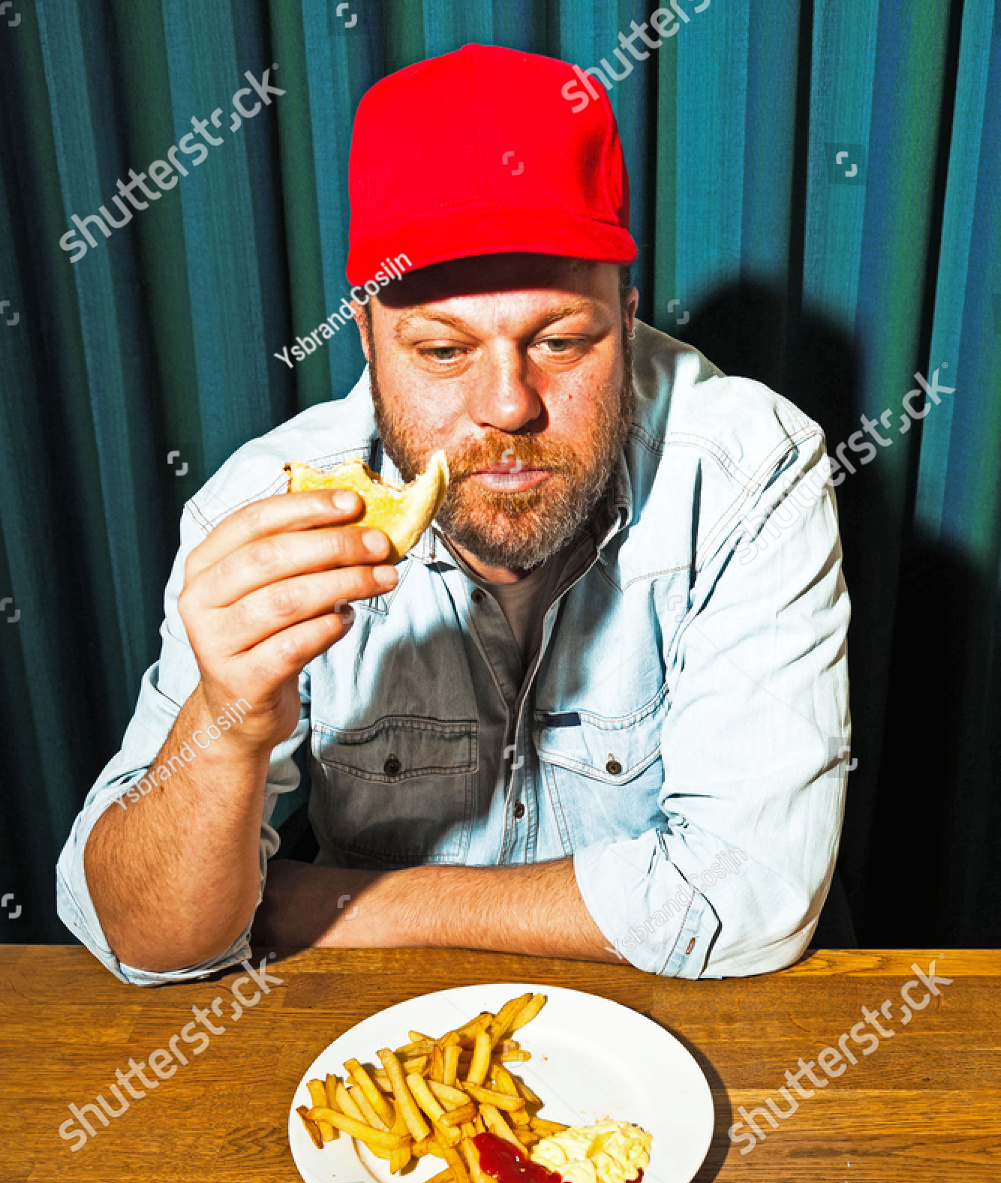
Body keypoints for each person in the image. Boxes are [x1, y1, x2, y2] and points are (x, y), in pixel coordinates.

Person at [57, 43, 849, 986]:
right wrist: (228, 722)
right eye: (440, 351)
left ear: (627, 316)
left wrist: (319, 901)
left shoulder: (751, 474)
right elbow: (143, 940)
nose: (507, 405)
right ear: (366, 338)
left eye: (560, 340)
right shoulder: (265, 504)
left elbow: (749, 902)